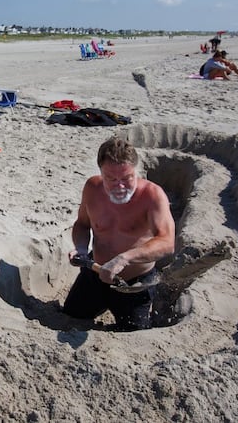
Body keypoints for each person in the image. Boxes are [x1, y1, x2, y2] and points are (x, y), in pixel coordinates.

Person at [62, 137, 176, 330]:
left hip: (134, 283)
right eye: (111, 179)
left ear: (135, 171)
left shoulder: (152, 196)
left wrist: (124, 259)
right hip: (96, 271)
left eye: (126, 178)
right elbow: (82, 224)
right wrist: (80, 248)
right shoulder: (92, 188)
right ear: (101, 173)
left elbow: (167, 242)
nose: (120, 186)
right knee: (71, 316)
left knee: (134, 332)